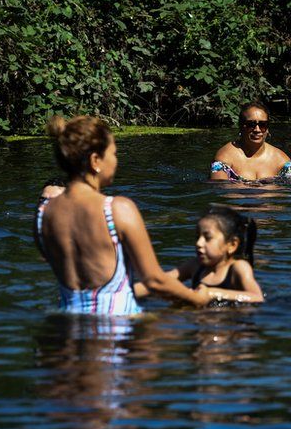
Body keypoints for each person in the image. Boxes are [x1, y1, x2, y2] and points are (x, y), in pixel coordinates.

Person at [35, 115, 210, 314]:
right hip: (117, 332)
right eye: (114, 154)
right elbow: (154, 281)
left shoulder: (44, 214)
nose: (116, 162)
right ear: (95, 160)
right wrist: (197, 299)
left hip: (66, 329)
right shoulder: (117, 209)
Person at [135, 207, 264, 303]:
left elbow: (257, 298)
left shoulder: (238, 268)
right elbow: (160, 282)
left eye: (207, 238)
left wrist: (213, 293)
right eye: (198, 237)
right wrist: (125, 292)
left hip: (228, 325)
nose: (199, 243)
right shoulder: (195, 266)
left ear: (232, 245)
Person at [210, 100, 291, 184]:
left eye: (263, 125)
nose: (257, 130)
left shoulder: (279, 159)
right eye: (251, 124)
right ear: (241, 126)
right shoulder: (225, 156)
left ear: (267, 128)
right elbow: (220, 185)